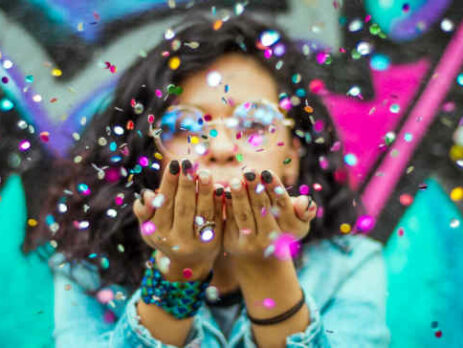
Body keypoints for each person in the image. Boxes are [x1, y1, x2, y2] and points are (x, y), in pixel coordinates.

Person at [35, 11, 390, 348]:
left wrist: (267, 268)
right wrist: (175, 276)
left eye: (253, 124)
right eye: (186, 127)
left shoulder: (349, 267)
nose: (220, 147)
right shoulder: (89, 271)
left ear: (292, 157)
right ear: (151, 157)